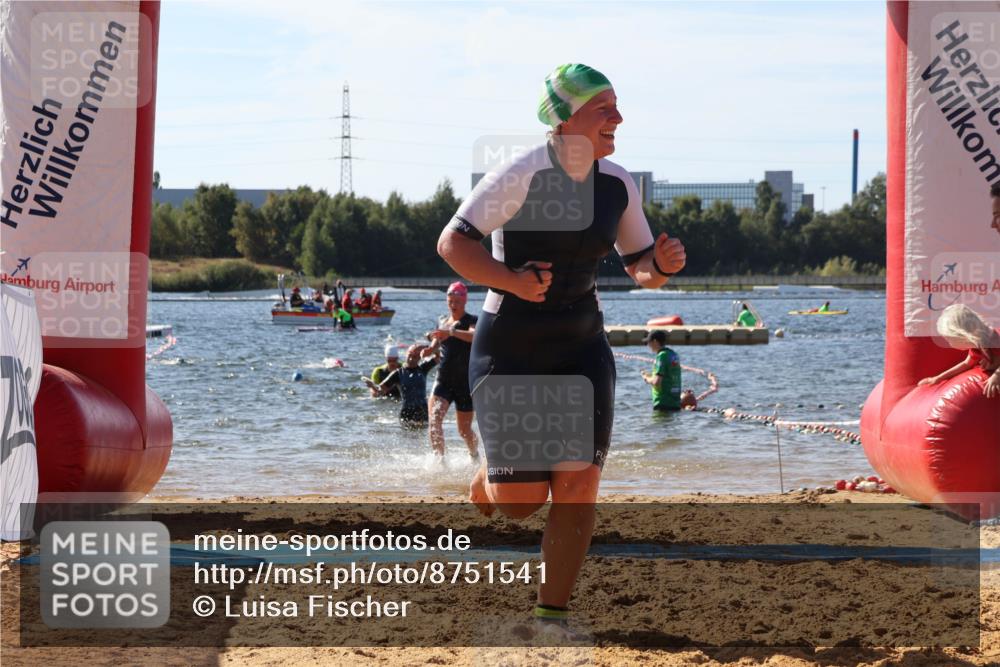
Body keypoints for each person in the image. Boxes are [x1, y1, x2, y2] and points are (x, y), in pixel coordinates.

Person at [437, 63, 686, 631]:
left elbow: (639, 267)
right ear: (565, 119)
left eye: (618, 106)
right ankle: (488, 474)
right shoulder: (520, 173)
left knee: (576, 488)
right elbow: (452, 244)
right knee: (521, 501)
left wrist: (661, 267)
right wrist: (512, 280)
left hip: (581, 348)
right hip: (512, 348)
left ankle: (552, 615)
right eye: (605, 109)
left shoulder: (617, 183)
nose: (618, 118)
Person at [427, 281, 479, 460]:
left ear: (465, 301)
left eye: (457, 302)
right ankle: (439, 462)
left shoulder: (471, 320)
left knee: (464, 431)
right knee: (434, 420)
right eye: (450, 301)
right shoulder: (443, 321)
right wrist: (428, 349)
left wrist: (452, 332)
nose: (454, 305)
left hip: (464, 382)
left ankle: (474, 454)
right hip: (444, 379)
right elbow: (437, 341)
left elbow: (474, 337)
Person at [918, 303, 1000, 398]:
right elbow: (966, 364)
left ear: (963, 335)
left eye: (949, 339)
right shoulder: (977, 347)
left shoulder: (995, 339)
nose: (949, 344)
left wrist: (996, 376)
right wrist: (938, 378)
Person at [369, 342, 441, 427]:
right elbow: (380, 390)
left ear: (420, 358)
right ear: (406, 354)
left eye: (414, 357)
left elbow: (439, 356)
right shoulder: (398, 373)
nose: (411, 359)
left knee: (422, 439)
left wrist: (428, 348)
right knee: (406, 439)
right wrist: (372, 386)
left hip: (423, 413)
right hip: (406, 414)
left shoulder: (423, 368)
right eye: (409, 355)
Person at [639, 330, 682, 411]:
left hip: (662, 402)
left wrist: (646, 378)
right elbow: (667, 376)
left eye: (648, 342)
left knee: (659, 423)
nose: (648, 345)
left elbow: (657, 382)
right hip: (675, 402)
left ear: (655, 341)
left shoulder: (661, 356)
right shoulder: (673, 354)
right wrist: (651, 376)